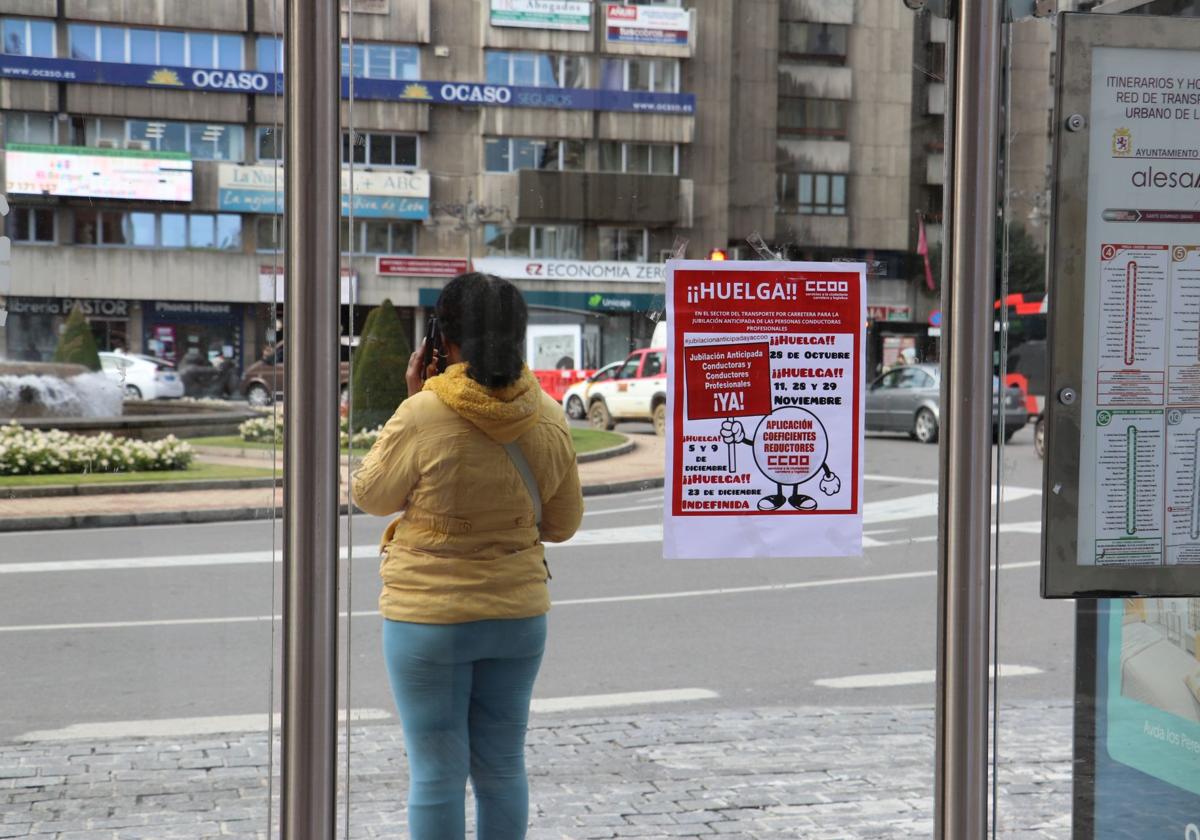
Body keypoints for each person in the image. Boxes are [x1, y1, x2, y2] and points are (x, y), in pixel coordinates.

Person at [352, 273, 583, 840]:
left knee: (435, 775)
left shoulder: (422, 413)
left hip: (428, 619)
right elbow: (563, 524)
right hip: (517, 616)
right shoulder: (550, 417)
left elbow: (371, 496)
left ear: (441, 342)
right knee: (503, 767)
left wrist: (413, 400)